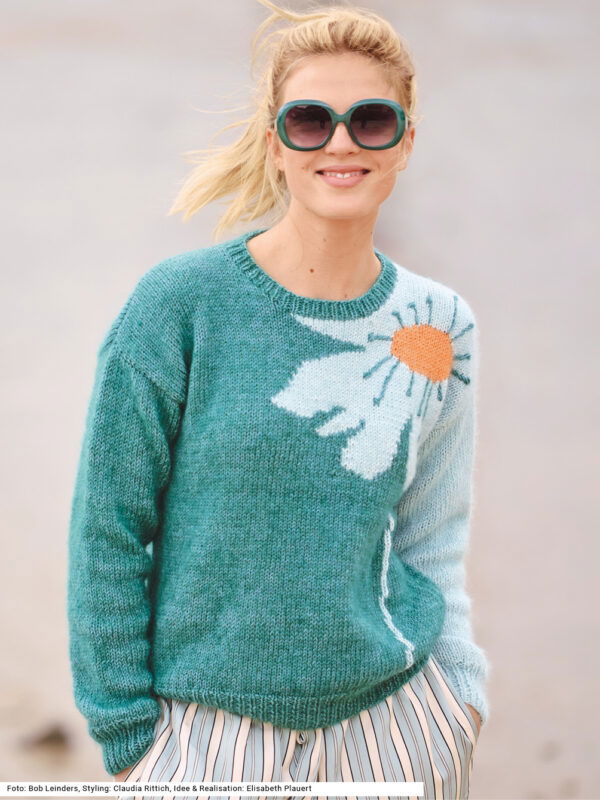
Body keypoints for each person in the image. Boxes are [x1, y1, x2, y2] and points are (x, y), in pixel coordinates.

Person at [66, 1, 490, 798]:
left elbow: (433, 536)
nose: (341, 143)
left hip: (396, 730)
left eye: (371, 120)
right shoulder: (179, 305)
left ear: (405, 141)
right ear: (276, 143)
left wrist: (460, 701)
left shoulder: (441, 324)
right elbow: (108, 531)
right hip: (203, 741)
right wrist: (126, 735)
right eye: (310, 120)